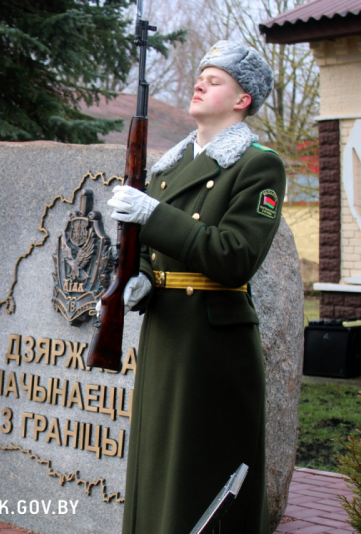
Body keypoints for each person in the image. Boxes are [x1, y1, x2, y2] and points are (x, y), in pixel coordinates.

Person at [107, 41, 285, 533]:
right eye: (200, 76)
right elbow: (150, 249)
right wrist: (141, 277)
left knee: (198, 473)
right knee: (156, 468)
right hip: (166, 331)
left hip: (212, 344)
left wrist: (154, 216)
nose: (200, 84)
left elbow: (235, 257)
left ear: (243, 99)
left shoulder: (258, 165)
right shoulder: (171, 166)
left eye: (215, 79)